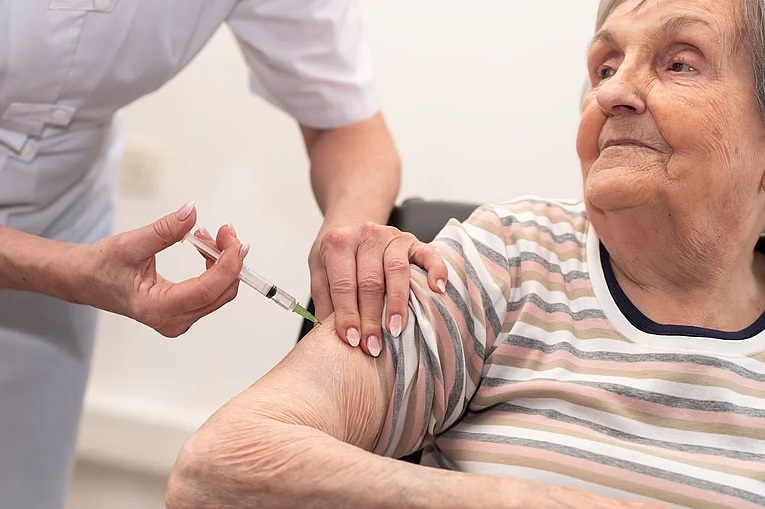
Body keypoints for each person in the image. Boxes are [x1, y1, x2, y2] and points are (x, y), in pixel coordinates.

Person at [164, 0, 765, 507]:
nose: (612, 91)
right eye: (605, 66)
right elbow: (221, 466)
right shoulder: (507, 260)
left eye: (680, 63)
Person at [0, 2, 447, 508]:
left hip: (62, 201)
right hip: (68, 249)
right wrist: (69, 272)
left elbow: (347, 127)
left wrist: (348, 231)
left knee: (21, 475)